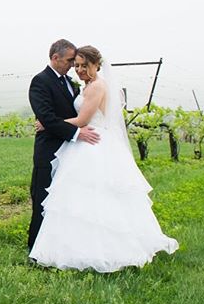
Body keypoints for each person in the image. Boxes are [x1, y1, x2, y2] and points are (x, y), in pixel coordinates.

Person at [29, 45, 179, 272]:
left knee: (99, 198)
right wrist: (56, 123)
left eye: (82, 65)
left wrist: (48, 123)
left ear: (96, 65)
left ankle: (106, 248)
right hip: (81, 143)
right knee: (77, 200)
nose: (77, 69)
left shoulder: (97, 85)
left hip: (93, 143)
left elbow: (82, 119)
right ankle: (71, 245)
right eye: (75, 64)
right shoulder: (80, 84)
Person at [28, 39, 101, 252]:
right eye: (70, 61)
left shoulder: (71, 82)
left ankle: (61, 246)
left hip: (71, 152)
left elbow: (75, 114)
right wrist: (77, 132)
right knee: (43, 200)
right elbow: (48, 119)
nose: (73, 66)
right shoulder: (40, 81)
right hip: (49, 150)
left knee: (64, 202)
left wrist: (77, 131)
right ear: (55, 58)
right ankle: (36, 249)